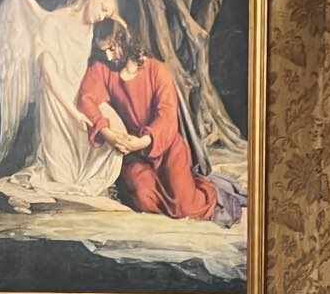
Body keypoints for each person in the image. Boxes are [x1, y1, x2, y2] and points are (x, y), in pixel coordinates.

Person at [76, 18, 244, 227]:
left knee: (185, 208)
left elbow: (167, 116)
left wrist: (144, 141)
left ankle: (212, 190)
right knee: (143, 198)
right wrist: (109, 134)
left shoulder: (157, 70)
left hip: (165, 146)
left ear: (123, 40)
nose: (109, 56)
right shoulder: (102, 69)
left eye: (111, 48)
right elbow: (86, 99)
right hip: (134, 154)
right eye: (104, 51)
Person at [0, 0, 125, 208]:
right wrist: (73, 112)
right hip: (56, 103)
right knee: (61, 176)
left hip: (79, 99)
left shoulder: (89, 27)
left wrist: (87, 108)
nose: (103, 16)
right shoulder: (53, 22)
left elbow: (82, 76)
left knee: (115, 138)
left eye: (107, 13)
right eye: (103, 9)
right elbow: (49, 76)